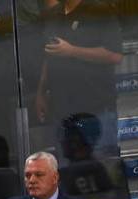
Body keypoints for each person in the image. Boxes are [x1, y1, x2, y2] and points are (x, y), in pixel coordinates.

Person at [35, 0, 122, 156]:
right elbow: (48, 56)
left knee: (103, 166)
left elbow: (115, 55)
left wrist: (72, 51)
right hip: (61, 110)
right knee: (66, 168)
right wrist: (41, 92)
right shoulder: (52, 14)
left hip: (96, 108)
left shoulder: (100, 10)